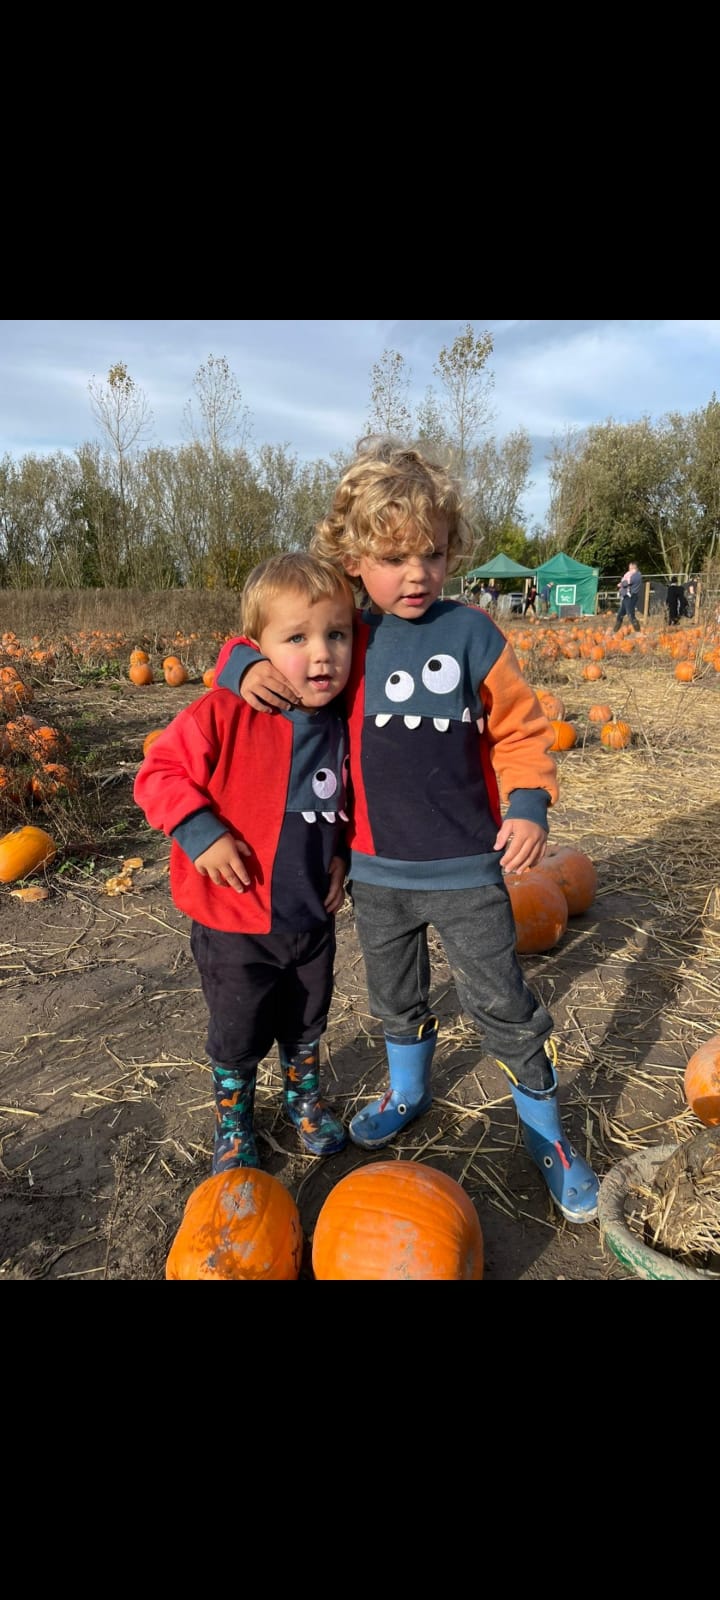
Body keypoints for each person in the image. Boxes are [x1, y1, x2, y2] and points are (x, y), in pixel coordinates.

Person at [215, 438, 599, 1224]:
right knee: (396, 997)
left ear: (451, 551)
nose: (416, 573)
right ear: (353, 558)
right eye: (393, 556)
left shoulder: (474, 635)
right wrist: (234, 669)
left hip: (465, 869)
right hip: (375, 871)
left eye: (431, 552)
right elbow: (266, 639)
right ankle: (408, 1091)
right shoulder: (347, 634)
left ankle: (548, 1136)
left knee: (504, 1003)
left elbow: (523, 728)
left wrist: (528, 801)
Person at [134, 553, 355, 1175]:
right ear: (257, 648)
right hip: (234, 920)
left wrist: (341, 855)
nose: (321, 654)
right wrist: (200, 833)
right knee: (237, 1030)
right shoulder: (222, 713)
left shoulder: (341, 721)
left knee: (308, 1019)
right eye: (296, 638)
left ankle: (303, 1101)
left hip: (311, 915)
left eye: (335, 635)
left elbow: (344, 799)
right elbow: (159, 773)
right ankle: (233, 1119)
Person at [613, 560, 642, 632]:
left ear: (633, 567)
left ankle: (637, 629)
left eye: (630, 568)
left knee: (630, 613)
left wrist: (621, 584)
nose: (629, 570)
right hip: (627, 596)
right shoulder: (634, 574)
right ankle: (616, 630)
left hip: (630, 596)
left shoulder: (636, 576)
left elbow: (626, 583)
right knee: (621, 613)